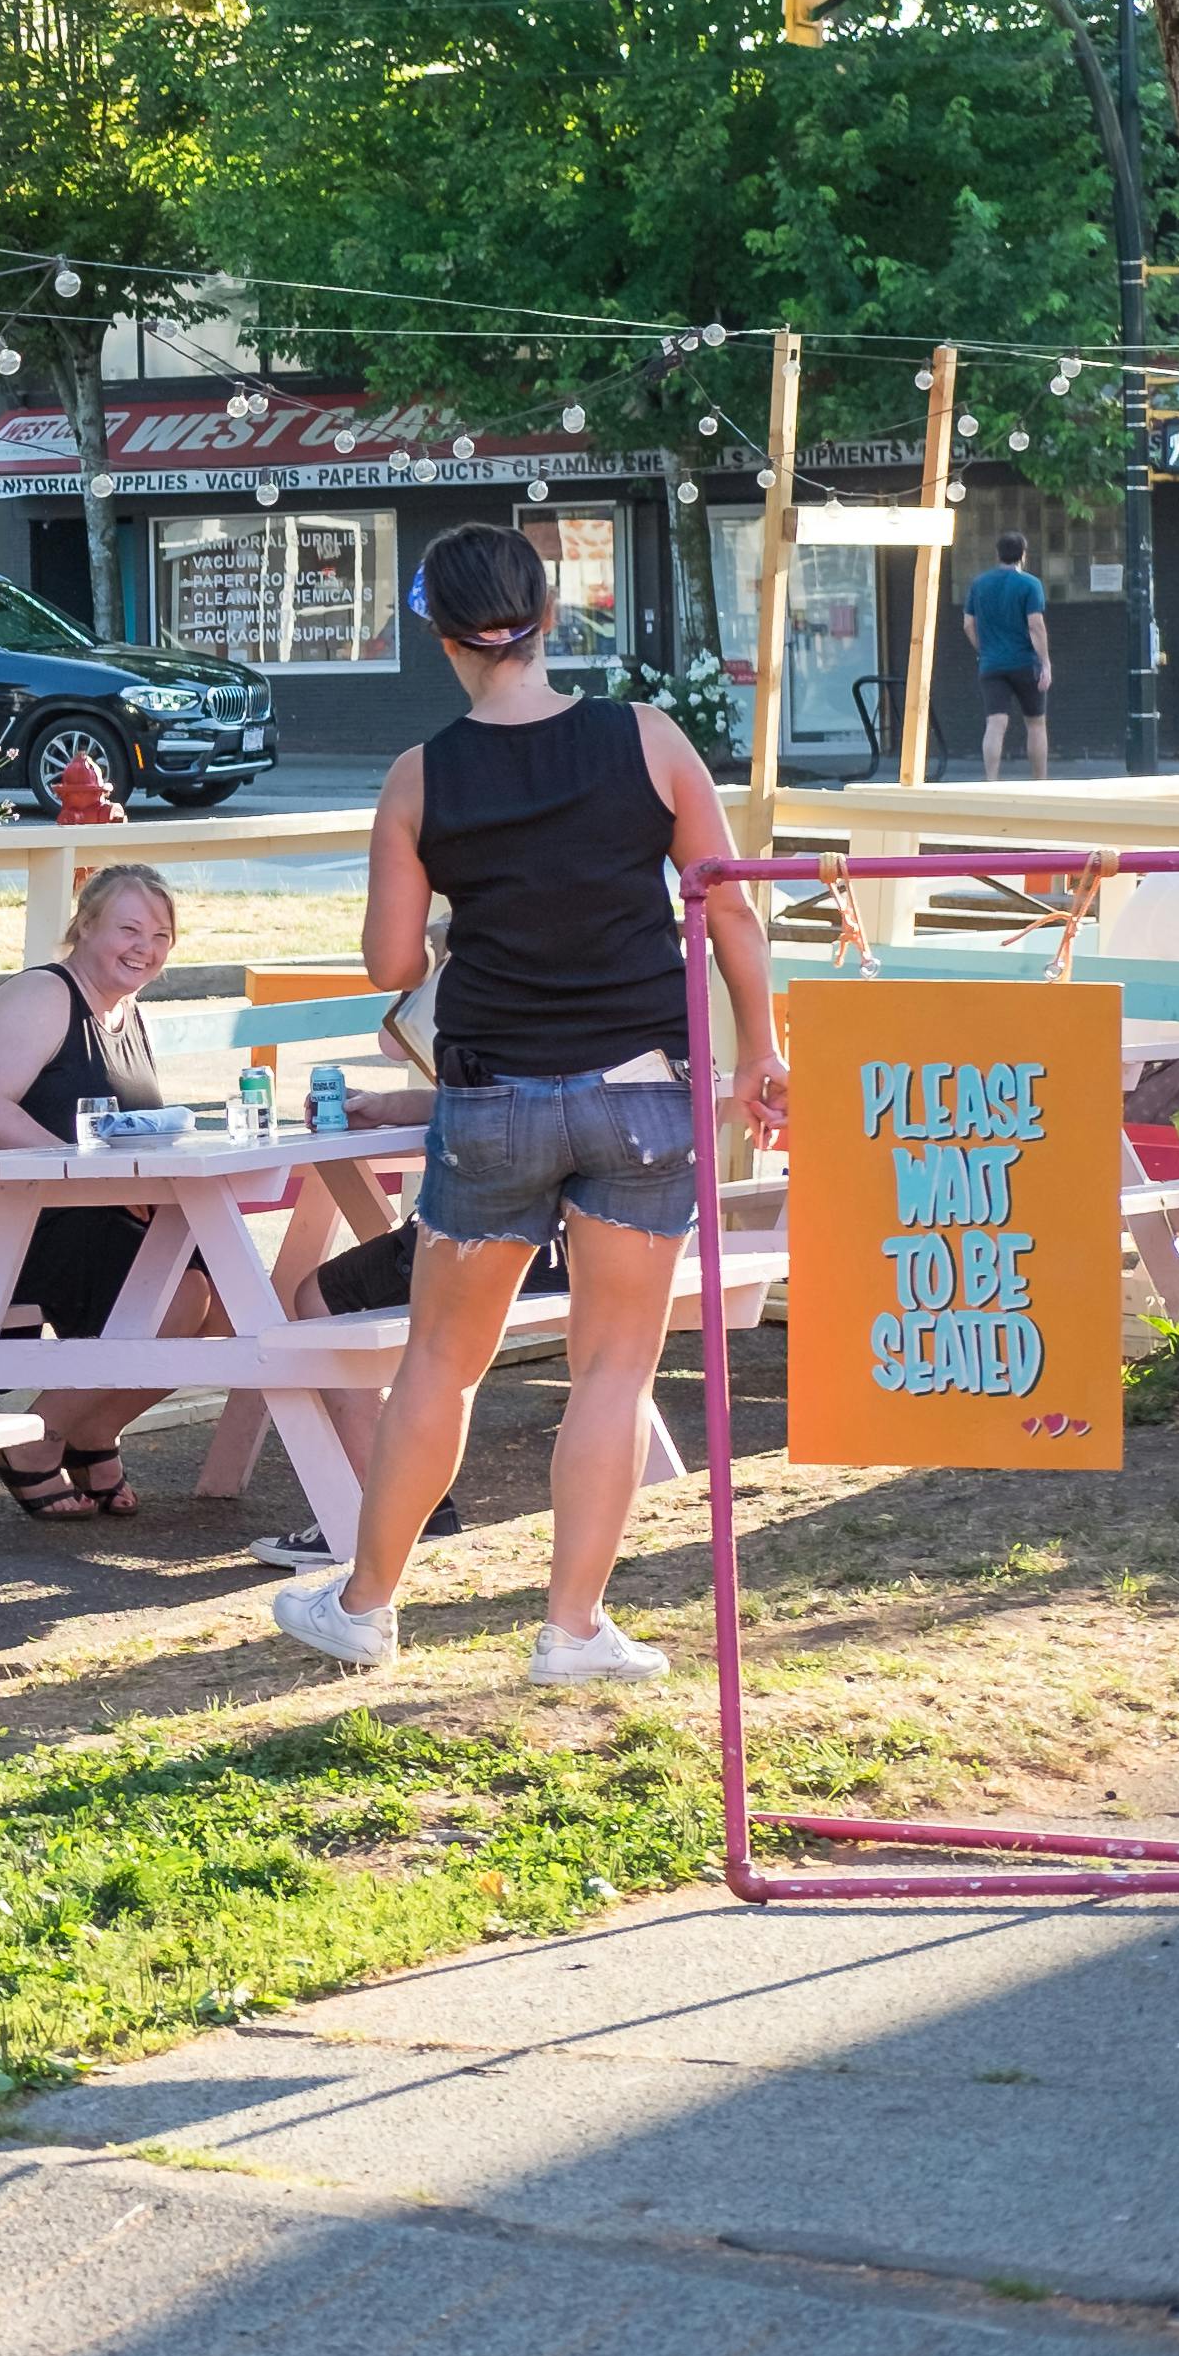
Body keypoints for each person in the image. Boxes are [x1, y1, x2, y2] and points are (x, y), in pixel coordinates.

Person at [271, 525, 787, 1685]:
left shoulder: (421, 776)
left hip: (493, 1094)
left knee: (441, 1364)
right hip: (643, 1092)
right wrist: (761, 1051)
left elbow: (388, 958)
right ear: (549, 614)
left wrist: (467, 918)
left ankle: (365, 1604)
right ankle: (571, 1631)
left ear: (441, 635)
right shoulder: (647, 741)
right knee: (614, 1368)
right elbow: (731, 911)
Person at [0, 860, 210, 1522]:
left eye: (161, 936)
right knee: (183, 1291)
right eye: (129, 929)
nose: (144, 948)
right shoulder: (43, 996)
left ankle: (90, 1430)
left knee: (223, 1295)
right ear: (84, 926)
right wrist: (85, 1172)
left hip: (88, 1217)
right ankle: (36, 1439)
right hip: (3, 1227)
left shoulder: (129, 1016)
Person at [966, 531, 1054, 781]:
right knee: (1036, 723)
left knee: (995, 723)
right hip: (1026, 663)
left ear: (998, 554)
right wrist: (1045, 662)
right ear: (1023, 555)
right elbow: (1035, 625)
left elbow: (967, 624)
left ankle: (991, 781)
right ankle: (1040, 782)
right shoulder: (1030, 584)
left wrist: (983, 650)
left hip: (992, 665)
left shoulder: (979, 583)